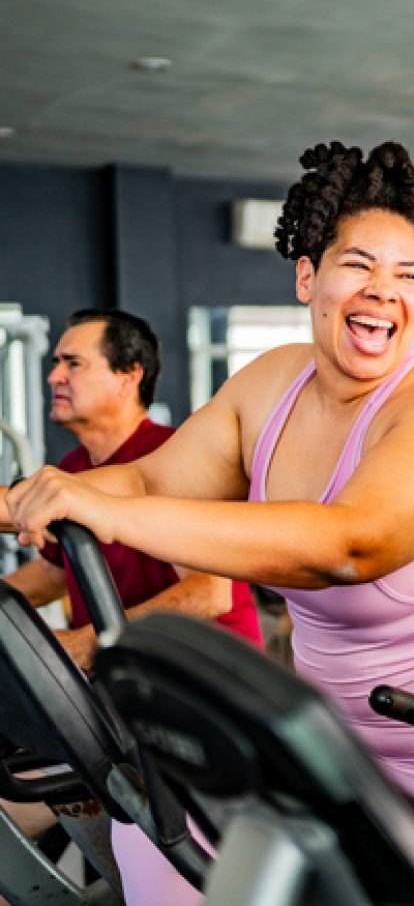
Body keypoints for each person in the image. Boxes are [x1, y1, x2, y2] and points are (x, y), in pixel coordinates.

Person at [2, 141, 414, 905]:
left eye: (408, 274)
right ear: (307, 276)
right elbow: (156, 475)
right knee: (160, 834)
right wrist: (25, 499)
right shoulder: (273, 384)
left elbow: (350, 544)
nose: (385, 291)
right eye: (359, 265)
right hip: (338, 747)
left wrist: (101, 506)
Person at [0, 308, 262, 847]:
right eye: (54, 364)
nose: (54, 376)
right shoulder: (73, 469)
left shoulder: (176, 458)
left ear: (129, 374)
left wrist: (86, 643)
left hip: (202, 694)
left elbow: (210, 593)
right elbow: (54, 570)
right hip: (122, 693)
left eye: (73, 363)